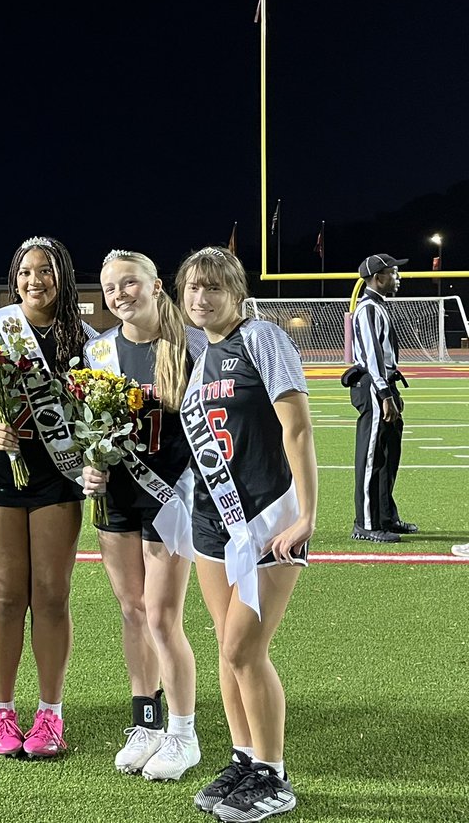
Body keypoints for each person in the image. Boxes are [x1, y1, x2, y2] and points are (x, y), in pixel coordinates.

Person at [174, 247, 316, 821]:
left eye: (212, 287)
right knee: (224, 647)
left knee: (244, 648)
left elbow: (298, 428)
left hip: (267, 516)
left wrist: (307, 515)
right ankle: (244, 757)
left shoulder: (261, 337)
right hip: (212, 519)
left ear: (235, 291)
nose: (201, 298)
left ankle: (274, 775)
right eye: (192, 289)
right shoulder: (195, 353)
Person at [0, 235, 94, 758]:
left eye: (46, 271)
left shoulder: (85, 338)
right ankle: (2, 712)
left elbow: (98, 405)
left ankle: (50, 714)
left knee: (51, 594)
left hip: (57, 477)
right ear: (14, 277)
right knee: (6, 595)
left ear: (62, 277)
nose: (36, 281)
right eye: (26, 272)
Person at [81, 250, 207, 781]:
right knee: (133, 612)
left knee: (161, 616)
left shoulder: (191, 345)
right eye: (111, 287)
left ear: (156, 286)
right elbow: (91, 427)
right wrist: (89, 466)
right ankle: (147, 724)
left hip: (173, 495)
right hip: (118, 495)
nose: (119, 294)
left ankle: (183, 733)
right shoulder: (99, 350)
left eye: (130, 283)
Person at [349, 253, 415, 543]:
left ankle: (385, 517)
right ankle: (365, 523)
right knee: (372, 456)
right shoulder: (367, 310)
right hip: (375, 387)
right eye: (394, 273)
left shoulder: (378, 306)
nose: (398, 278)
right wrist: (384, 393)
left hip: (385, 385)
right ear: (378, 277)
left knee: (388, 455)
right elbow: (373, 355)